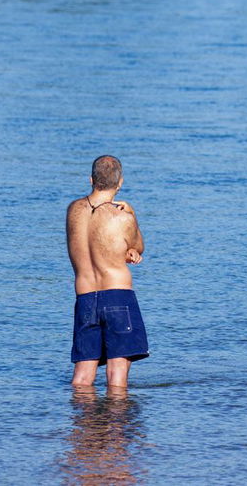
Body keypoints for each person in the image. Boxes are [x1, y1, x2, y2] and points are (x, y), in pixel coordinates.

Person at [66, 154, 149, 389]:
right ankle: (116, 415)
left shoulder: (73, 210)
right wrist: (132, 215)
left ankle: (80, 414)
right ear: (119, 183)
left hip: (85, 298)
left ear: (91, 179)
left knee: (82, 377)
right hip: (117, 296)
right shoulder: (122, 217)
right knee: (117, 375)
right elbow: (139, 246)